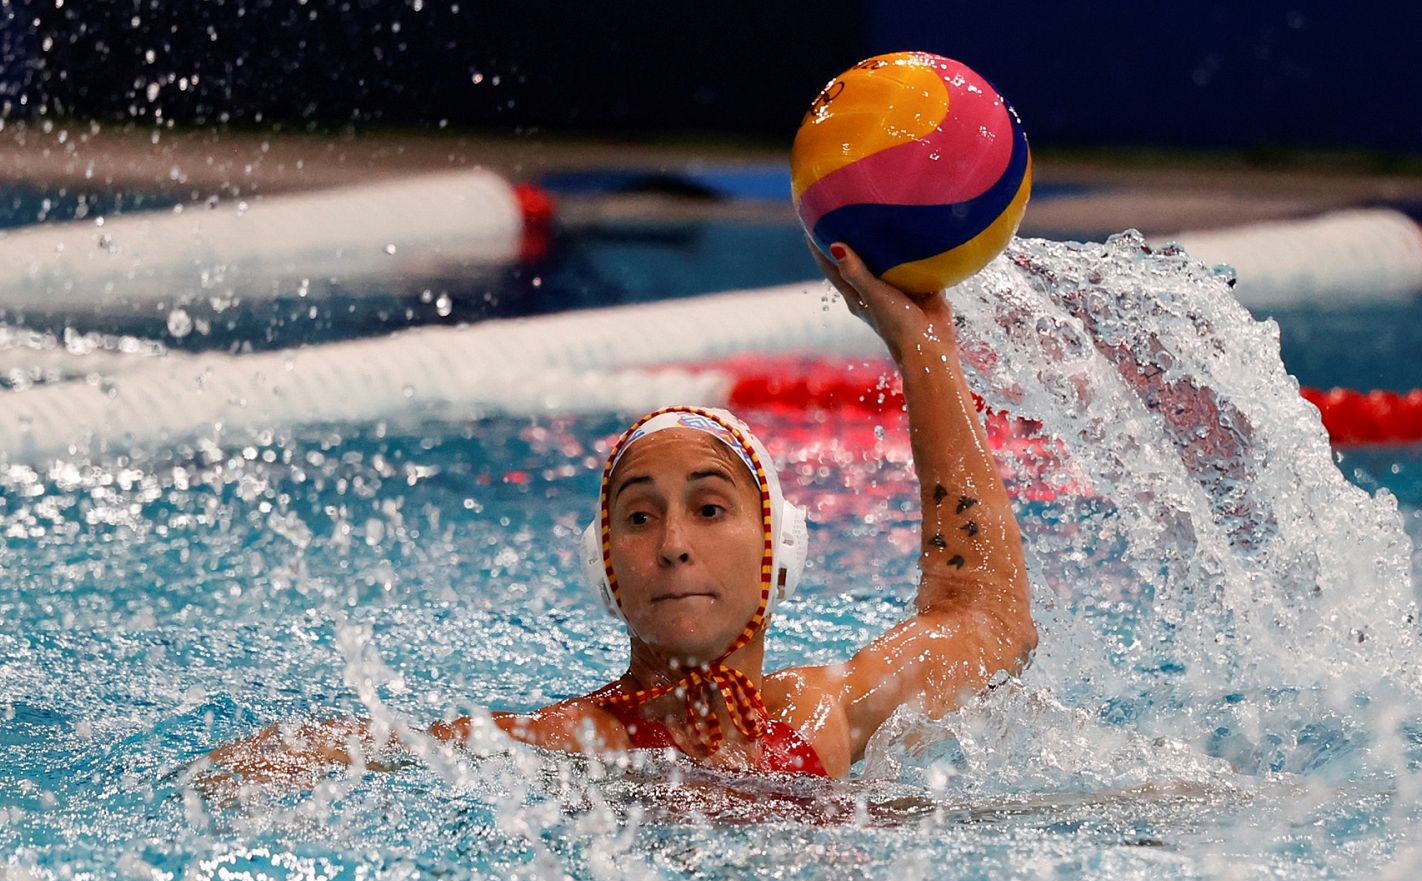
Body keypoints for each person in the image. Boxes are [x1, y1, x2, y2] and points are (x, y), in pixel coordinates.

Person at [205, 243, 1036, 783]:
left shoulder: (828, 717)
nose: (673, 544)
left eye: (709, 507)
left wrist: (923, 349)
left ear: (780, 547)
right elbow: (376, 747)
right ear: (604, 569)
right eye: (638, 519)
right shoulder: (575, 744)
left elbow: (990, 619)